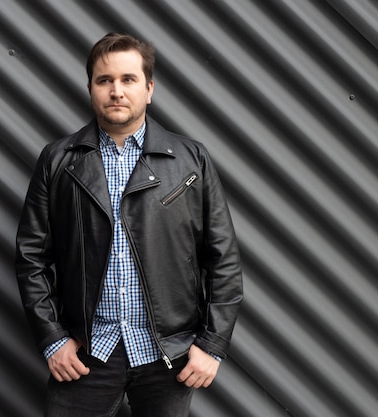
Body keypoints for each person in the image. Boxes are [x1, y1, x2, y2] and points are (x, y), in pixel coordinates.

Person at [16, 32, 243, 417]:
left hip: (168, 354)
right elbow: (31, 258)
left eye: (128, 79)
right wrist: (53, 339)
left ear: (149, 88)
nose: (116, 91)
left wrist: (212, 345)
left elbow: (223, 260)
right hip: (87, 352)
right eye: (105, 81)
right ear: (90, 88)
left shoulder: (191, 161)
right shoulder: (58, 160)